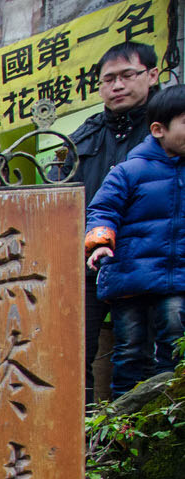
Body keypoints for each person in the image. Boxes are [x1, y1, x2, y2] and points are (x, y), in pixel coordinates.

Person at [62, 42, 160, 401]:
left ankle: (134, 445)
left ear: (152, 75)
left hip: (145, 261)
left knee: (138, 354)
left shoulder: (164, 129)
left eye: (126, 76)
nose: (116, 85)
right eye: (108, 79)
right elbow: (59, 189)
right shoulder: (85, 134)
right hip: (86, 265)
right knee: (71, 353)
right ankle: (82, 441)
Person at [84, 86, 185, 397]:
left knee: (174, 338)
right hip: (129, 278)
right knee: (130, 348)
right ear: (158, 129)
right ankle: (123, 419)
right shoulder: (128, 171)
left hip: (176, 277)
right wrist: (100, 242)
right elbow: (102, 210)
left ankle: (168, 408)